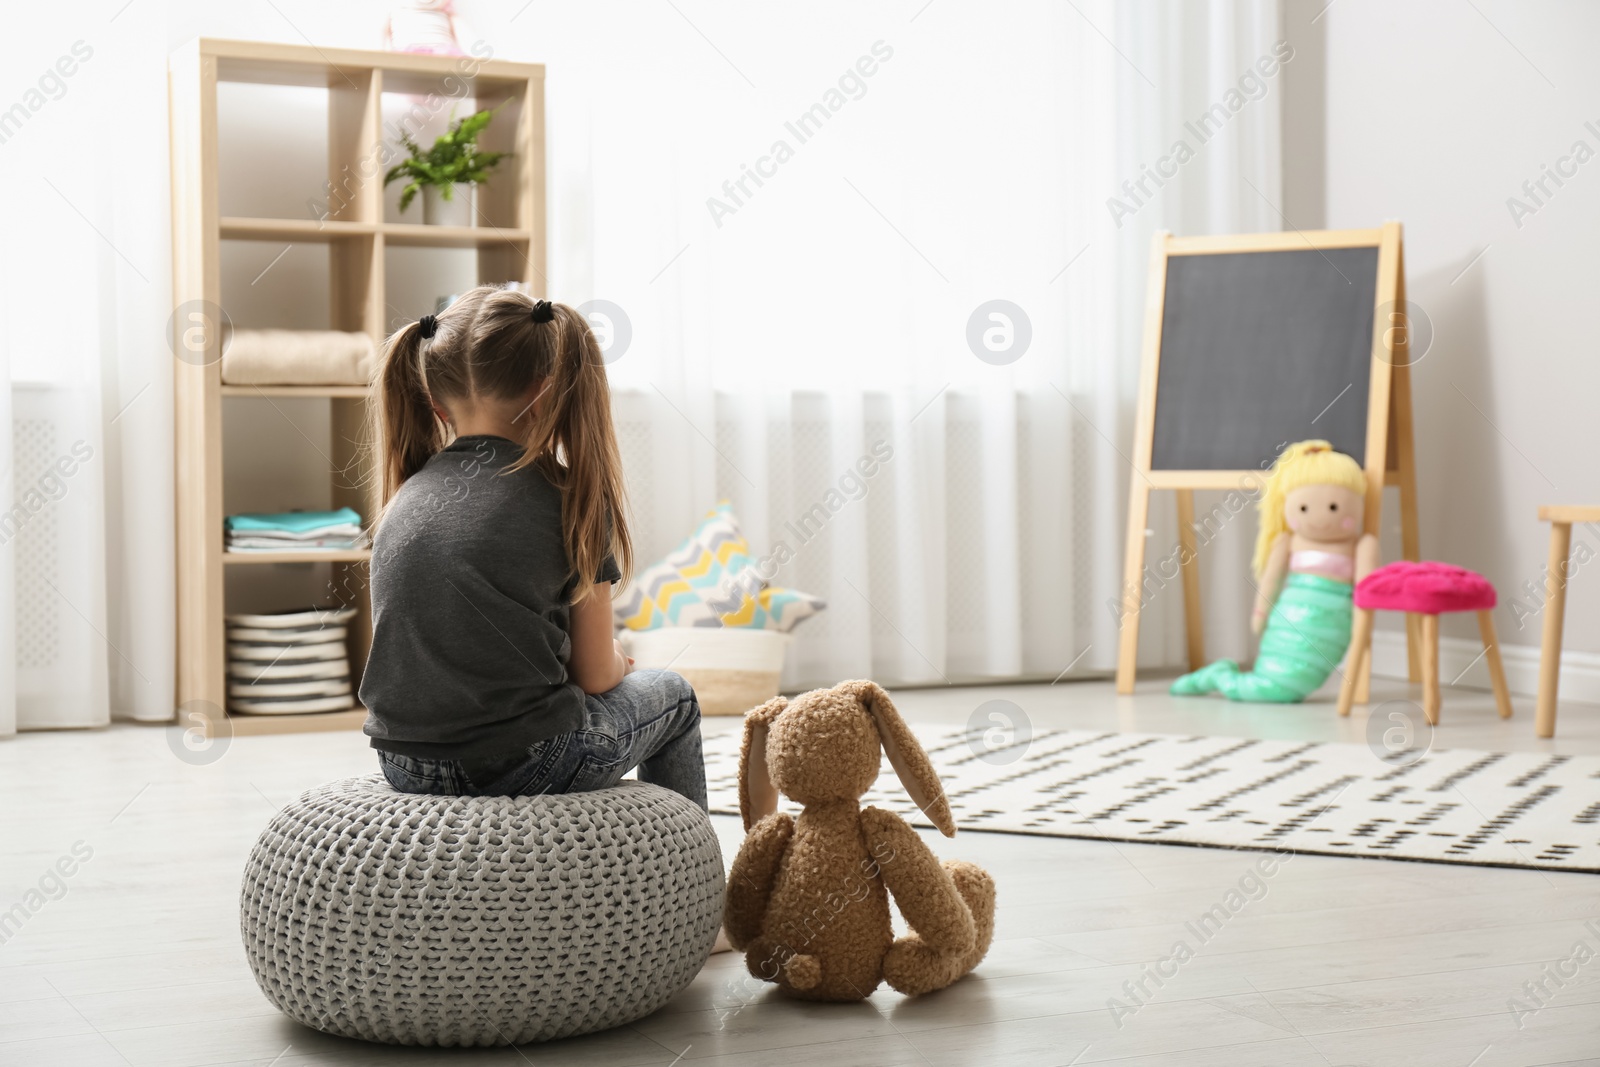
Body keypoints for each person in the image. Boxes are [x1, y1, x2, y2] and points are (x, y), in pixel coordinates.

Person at [358, 286, 705, 807]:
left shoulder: (407, 495)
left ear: (435, 403)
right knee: (674, 694)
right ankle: (690, 873)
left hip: (405, 762)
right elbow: (594, 674)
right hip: (530, 760)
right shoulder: (569, 496)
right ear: (547, 393)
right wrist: (618, 661)